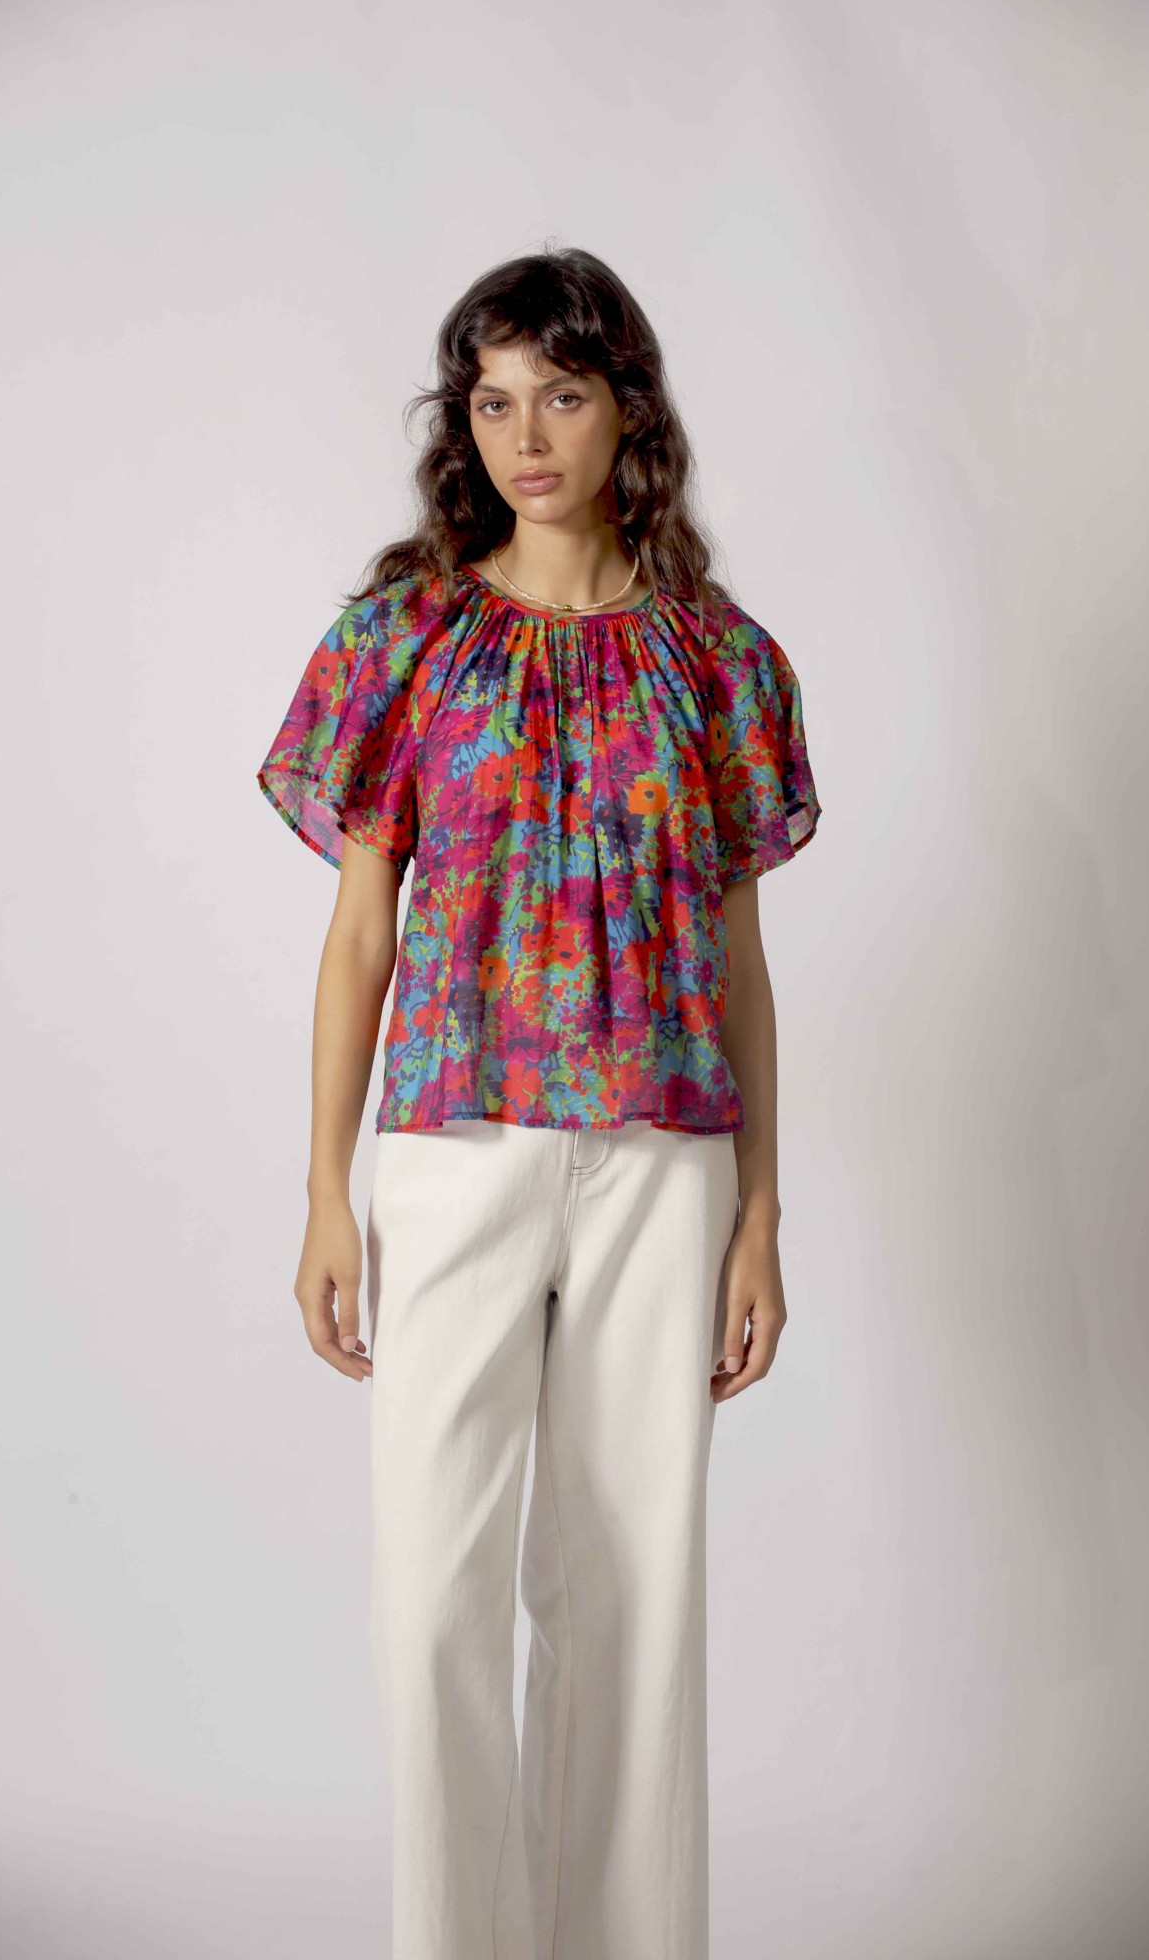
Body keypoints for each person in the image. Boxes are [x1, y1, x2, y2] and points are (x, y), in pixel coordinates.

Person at [256, 245, 821, 1960]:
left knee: (632, 1601)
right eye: (493, 401)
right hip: (453, 1152)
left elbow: (737, 958)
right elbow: (361, 939)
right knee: (435, 1595)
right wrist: (324, 1193)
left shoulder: (718, 659)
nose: (525, 437)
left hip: (663, 1163)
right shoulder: (402, 637)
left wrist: (759, 1216)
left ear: (625, 411)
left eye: (560, 397)